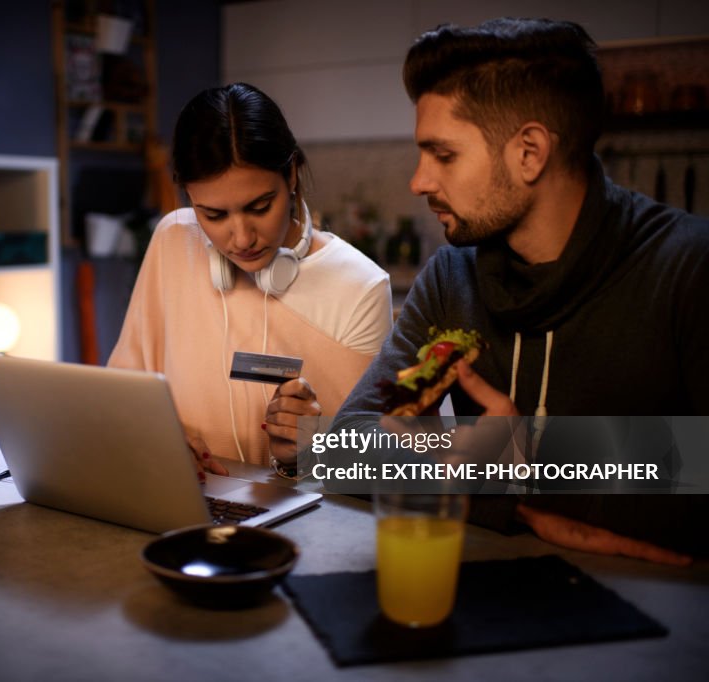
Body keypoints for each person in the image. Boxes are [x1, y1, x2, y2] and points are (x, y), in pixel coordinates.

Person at [333, 18, 709, 564]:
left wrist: (517, 465)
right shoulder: (450, 276)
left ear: (530, 152)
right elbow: (344, 449)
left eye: (443, 155)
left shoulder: (689, 267)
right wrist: (507, 487)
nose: (418, 181)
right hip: (481, 591)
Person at [109, 82, 392, 473]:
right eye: (213, 215)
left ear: (291, 175)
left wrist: (300, 454)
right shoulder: (173, 240)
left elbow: (370, 467)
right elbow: (124, 393)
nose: (241, 239)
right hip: (182, 500)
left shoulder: (361, 286)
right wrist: (156, 437)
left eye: (260, 207)